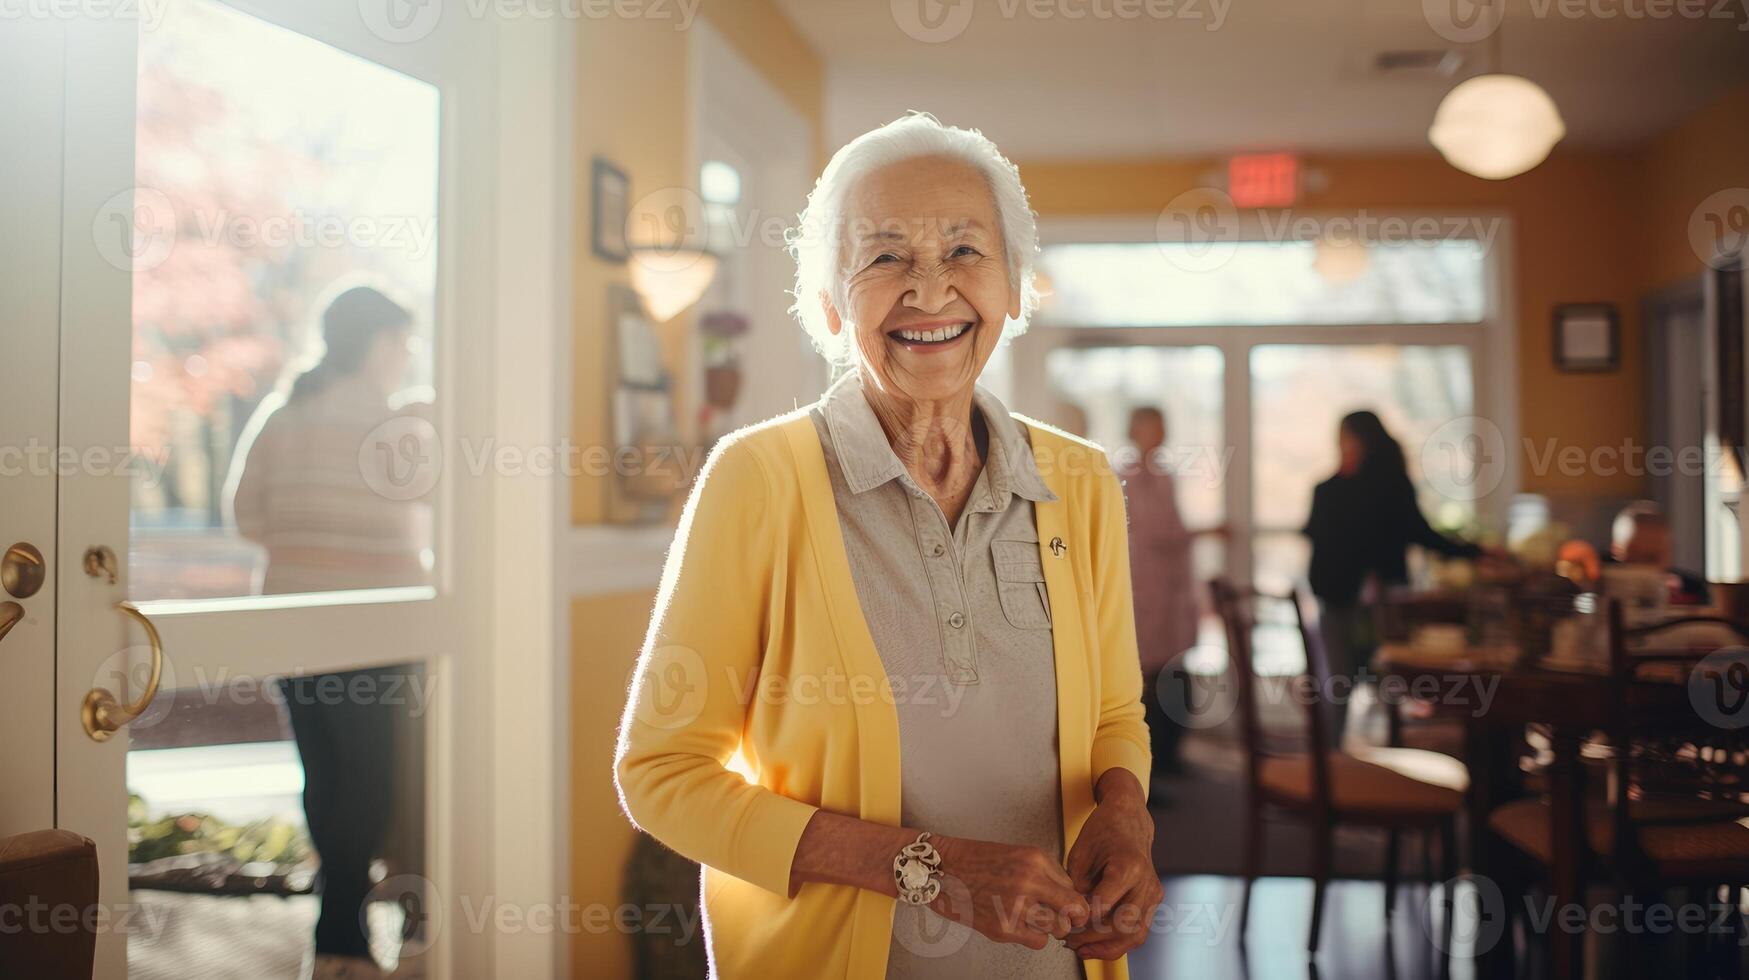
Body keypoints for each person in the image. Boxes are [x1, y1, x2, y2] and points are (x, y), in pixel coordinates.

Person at [615, 113, 1159, 980]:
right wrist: (930, 870)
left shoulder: (1081, 481)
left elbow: (1113, 718)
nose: (930, 290)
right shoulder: (757, 478)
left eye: (965, 252)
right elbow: (661, 774)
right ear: (829, 302)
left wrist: (1125, 811)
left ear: (1013, 286)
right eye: (884, 257)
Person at [225, 282, 434, 980]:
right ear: (379, 344)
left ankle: (337, 937)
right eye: (402, 344)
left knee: (325, 782)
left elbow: (245, 517)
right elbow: (455, 506)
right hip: (378, 626)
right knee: (375, 786)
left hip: (292, 621)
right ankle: (348, 937)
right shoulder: (399, 426)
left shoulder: (282, 416)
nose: (404, 358)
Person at [1303, 410, 1482, 748]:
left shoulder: (1388, 485)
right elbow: (1320, 535)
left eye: (1346, 438)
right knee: (1341, 682)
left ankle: (1385, 757)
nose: (1342, 446)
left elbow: (1419, 532)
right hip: (1338, 596)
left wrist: (1473, 552)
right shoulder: (1329, 489)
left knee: (1383, 679)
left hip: (1382, 600)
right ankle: (1331, 762)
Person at [1119, 406, 1220, 780]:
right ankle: (1150, 767)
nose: (1158, 434)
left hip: (1171, 591)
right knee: (1150, 681)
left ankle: (1171, 758)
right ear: (1134, 431)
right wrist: (1206, 533)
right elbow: (1155, 534)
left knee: (1174, 672)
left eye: (1161, 427)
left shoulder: (1163, 476)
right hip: (1145, 592)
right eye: (1150, 427)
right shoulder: (1128, 477)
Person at [1608, 500, 1709, 605]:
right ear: (1615, 550)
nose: (1645, 567)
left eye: (1653, 558)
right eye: (1636, 557)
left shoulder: (1693, 591)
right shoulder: (1600, 585)